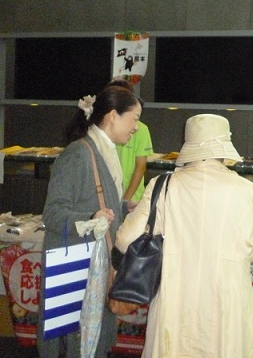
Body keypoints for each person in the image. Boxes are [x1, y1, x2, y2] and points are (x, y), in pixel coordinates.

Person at [115, 114, 253, 358]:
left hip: (176, 301)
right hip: (227, 303)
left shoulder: (163, 185)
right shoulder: (244, 190)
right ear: (224, 147)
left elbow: (124, 240)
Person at [37, 85, 142, 358]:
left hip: (93, 265)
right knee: (76, 339)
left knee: (90, 339)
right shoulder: (79, 154)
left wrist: (122, 206)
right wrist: (90, 219)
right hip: (77, 269)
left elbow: (95, 199)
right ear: (112, 116)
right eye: (135, 119)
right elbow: (53, 214)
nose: (137, 127)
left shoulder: (103, 151)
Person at [107, 79, 154, 212]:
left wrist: (125, 199)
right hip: (108, 198)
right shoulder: (101, 130)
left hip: (133, 199)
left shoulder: (141, 129)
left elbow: (141, 166)